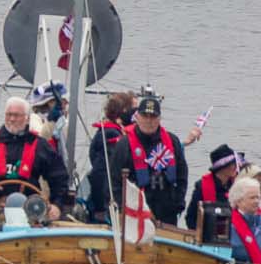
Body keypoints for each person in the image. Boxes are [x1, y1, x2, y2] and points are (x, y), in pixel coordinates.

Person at [0, 95, 69, 217]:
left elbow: (60, 177)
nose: (11, 119)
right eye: (8, 115)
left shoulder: (40, 146)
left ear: (27, 119)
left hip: (31, 211)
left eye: (16, 115)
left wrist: (57, 205)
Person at [120, 90, 190, 225]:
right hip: (135, 210)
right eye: (145, 116)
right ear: (138, 117)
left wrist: (178, 202)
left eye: (153, 116)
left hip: (166, 211)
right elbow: (115, 180)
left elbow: (182, 174)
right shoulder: (125, 144)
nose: (149, 121)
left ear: (159, 119)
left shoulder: (172, 141)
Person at [85, 89, 137, 223]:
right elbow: (101, 173)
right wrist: (100, 209)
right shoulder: (111, 136)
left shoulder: (108, 131)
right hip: (106, 205)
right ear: (125, 111)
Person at [188, 144, 243, 229]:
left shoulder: (238, 185)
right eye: (232, 164)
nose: (236, 167)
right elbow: (191, 218)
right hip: (208, 235)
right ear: (222, 167)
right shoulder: (201, 186)